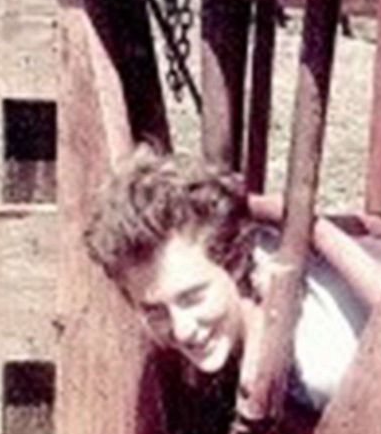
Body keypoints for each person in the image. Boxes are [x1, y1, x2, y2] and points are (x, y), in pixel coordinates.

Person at [84, 146, 366, 416]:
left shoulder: (322, 365)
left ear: (234, 263)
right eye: (155, 311)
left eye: (193, 298)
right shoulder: (242, 291)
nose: (183, 331)